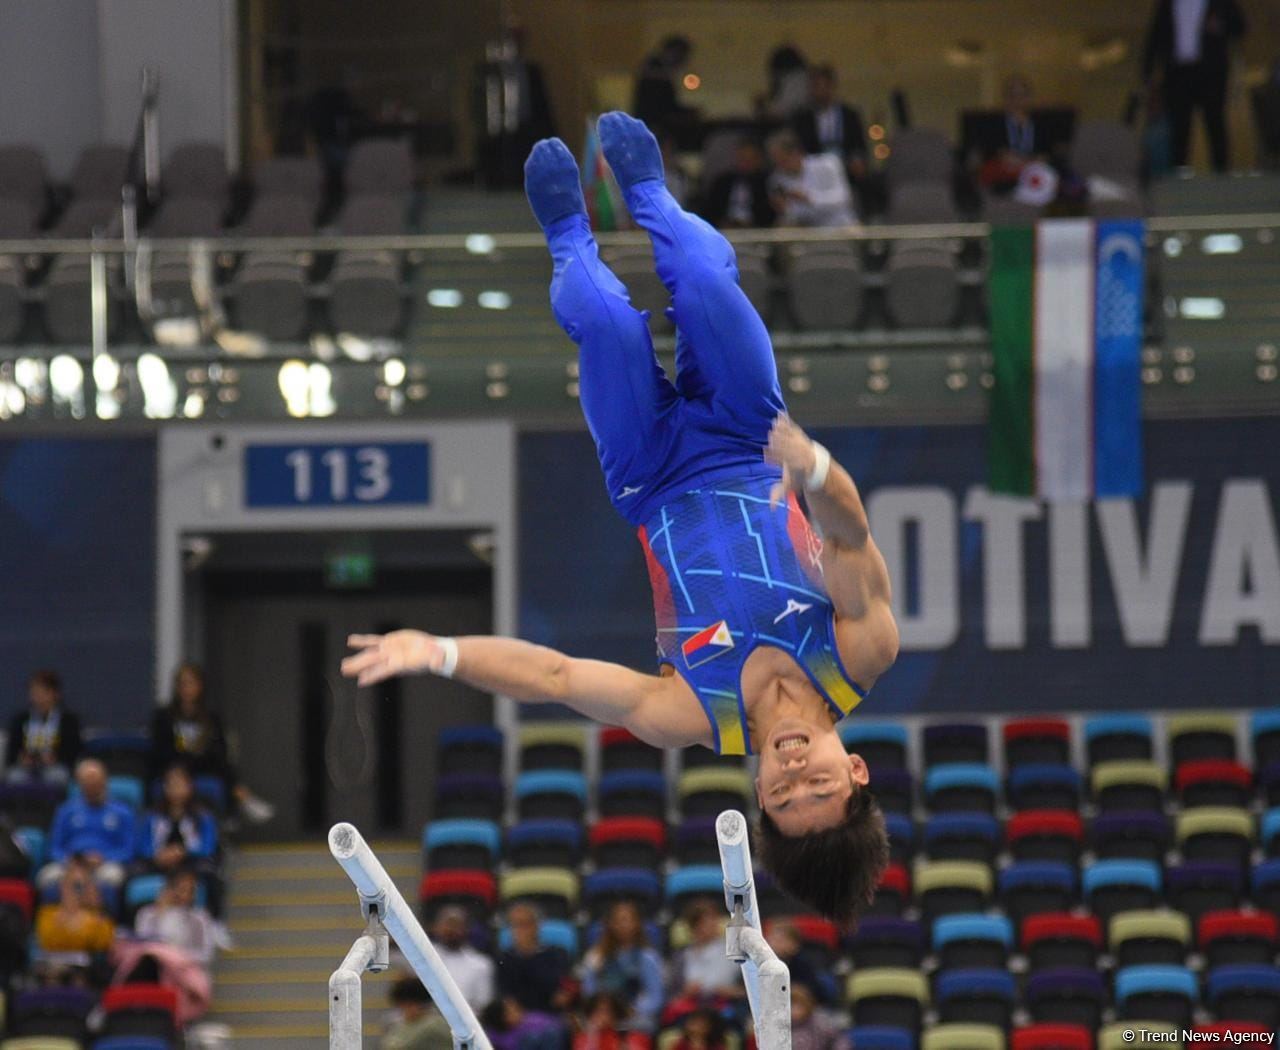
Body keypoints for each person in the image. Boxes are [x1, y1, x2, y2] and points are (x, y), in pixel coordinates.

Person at [343, 112, 896, 926]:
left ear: (757, 800)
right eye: (818, 783)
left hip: (650, 474)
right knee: (708, 286)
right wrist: (809, 464)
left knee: (603, 319)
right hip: (752, 437)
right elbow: (847, 531)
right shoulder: (859, 651)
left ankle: (568, 233)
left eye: (783, 797)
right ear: (855, 773)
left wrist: (442, 651)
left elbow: (557, 678)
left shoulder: (688, 712)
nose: (793, 773)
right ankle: (650, 198)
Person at [150, 663, 274, 824]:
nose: (186, 689)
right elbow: (160, 749)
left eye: (190, 683)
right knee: (178, 767)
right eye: (182, 684)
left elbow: (219, 748)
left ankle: (239, 801)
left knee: (224, 766)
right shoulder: (164, 716)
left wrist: (200, 752)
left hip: (203, 764)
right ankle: (240, 798)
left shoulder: (211, 716)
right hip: (174, 767)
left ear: (200, 686)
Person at [1143, 0, 1246, 172]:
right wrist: (1147, 72)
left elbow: (1240, 27)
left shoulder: (1221, 3)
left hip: (1211, 74)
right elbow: (1155, 35)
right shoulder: (1167, 4)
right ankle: (1179, 174)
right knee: (1179, 127)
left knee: (1215, 122)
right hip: (1178, 74)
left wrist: (1221, 26)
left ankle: (1221, 174)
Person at [136, 763, 221, 912]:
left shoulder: (203, 816)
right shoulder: (152, 816)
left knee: (211, 876)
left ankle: (211, 922)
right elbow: (143, 845)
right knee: (130, 875)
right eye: (171, 784)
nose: (176, 789)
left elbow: (208, 847)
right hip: (158, 864)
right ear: (164, 788)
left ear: (190, 786)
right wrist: (158, 856)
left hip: (191, 864)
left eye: (180, 784)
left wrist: (183, 852)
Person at [41, 759, 135, 892]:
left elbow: (127, 850)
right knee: (47, 876)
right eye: (88, 782)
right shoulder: (66, 810)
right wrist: (69, 860)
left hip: (104, 865)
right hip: (70, 864)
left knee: (112, 876)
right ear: (80, 784)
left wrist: (103, 858)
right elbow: (54, 847)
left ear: (105, 781)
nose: (92, 785)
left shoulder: (123, 812)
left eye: (96, 781)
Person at [579, 902, 664, 1033]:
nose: (623, 926)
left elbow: (655, 996)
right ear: (611, 925)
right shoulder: (595, 956)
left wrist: (634, 1010)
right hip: (602, 1014)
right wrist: (601, 1012)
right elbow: (589, 990)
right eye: (618, 921)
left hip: (634, 1015)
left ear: (636, 924)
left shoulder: (648, 957)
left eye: (628, 920)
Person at [766, 128, 857, 227]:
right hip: (808, 232)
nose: (779, 165)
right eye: (775, 161)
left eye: (782, 159)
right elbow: (794, 215)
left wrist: (808, 198)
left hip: (840, 225)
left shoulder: (828, 163)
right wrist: (785, 209)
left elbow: (844, 199)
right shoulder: (776, 180)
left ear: (795, 153)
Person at [6, 669, 82, 786]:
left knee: (58, 776)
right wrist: (21, 758)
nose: (38, 697)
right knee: (15, 777)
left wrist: (56, 758)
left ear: (55, 694)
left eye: (43, 692)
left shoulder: (68, 721)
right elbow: (11, 752)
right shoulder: (20, 720)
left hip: (56, 767)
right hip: (26, 768)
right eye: (34, 692)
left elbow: (74, 751)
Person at [793, 66, 867, 184]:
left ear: (832, 86)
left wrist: (857, 160)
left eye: (822, 86)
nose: (818, 91)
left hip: (846, 173)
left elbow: (858, 144)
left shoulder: (850, 115)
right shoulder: (803, 119)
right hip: (816, 174)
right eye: (814, 86)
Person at [666, 901, 742, 1015]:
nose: (713, 924)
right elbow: (672, 996)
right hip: (692, 1009)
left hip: (725, 1006)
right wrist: (685, 993)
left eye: (714, 919)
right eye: (706, 921)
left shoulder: (733, 950)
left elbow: (746, 990)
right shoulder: (682, 956)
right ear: (694, 927)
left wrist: (730, 991)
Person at [497, 903, 573, 1014]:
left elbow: (564, 989)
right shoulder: (505, 959)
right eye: (514, 925)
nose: (519, 930)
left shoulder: (556, 954)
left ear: (536, 926)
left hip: (551, 1015)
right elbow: (504, 994)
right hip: (517, 1019)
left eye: (524, 924)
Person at [35, 855, 116, 954]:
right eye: (72, 885)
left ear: (92, 887)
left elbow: (104, 944)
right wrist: (65, 920)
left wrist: (89, 918)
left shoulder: (100, 919)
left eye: (81, 886)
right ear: (62, 887)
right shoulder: (48, 914)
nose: (76, 893)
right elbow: (45, 942)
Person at [703, 137, 775, 229]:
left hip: (756, 231)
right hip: (725, 230)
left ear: (759, 160)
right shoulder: (722, 182)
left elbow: (768, 214)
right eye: (742, 158)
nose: (745, 163)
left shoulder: (766, 183)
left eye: (750, 159)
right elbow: (710, 211)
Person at [432, 905, 495, 1010]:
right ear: (437, 927)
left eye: (456, 925)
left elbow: (484, 1005)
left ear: (466, 929)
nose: (451, 930)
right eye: (447, 924)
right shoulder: (423, 957)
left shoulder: (481, 964)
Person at [633, 37, 697, 133]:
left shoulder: (662, 75)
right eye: (679, 55)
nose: (681, 60)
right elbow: (658, 106)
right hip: (652, 125)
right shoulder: (655, 71)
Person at [384, 976, 455, 1050]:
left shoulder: (434, 1025)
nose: (403, 1010)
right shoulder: (400, 1025)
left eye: (407, 1005)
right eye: (400, 1006)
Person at [481, 996, 567, 1050]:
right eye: (512, 1011)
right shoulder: (495, 1039)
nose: (519, 1012)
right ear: (502, 1018)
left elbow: (556, 1024)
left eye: (517, 1008)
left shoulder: (532, 1019)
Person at [574, 994, 651, 1050]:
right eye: (595, 1011)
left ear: (615, 1016)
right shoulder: (581, 1039)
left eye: (605, 1011)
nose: (600, 1016)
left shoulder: (632, 1038)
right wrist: (593, 1037)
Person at [788, 984, 851, 1050]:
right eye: (792, 1004)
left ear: (807, 1004)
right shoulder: (781, 1025)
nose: (795, 1009)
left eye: (799, 1005)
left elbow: (840, 1040)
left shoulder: (819, 1021)